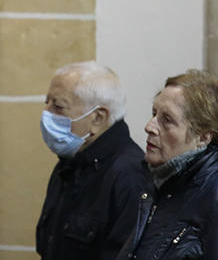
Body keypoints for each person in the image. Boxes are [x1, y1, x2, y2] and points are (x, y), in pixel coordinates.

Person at [119, 69, 218, 259]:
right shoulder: (162, 186)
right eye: (154, 113)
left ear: (203, 137)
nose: (149, 126)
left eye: (167, 120)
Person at [35, 62, 149, 259]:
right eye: (47, 102)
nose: (47, 113)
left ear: (97, 118)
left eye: (58, 107)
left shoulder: (130, 176)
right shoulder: (70, 163)